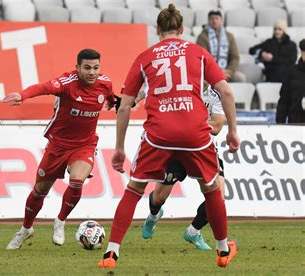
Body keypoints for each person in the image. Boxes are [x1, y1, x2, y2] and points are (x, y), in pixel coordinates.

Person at [98, 4, 240, 269]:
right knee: (211, 189)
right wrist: (232, 131)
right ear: (182, 30)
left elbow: (125, 106)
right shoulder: (198, 52)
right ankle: (222, 250)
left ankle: (111, 254)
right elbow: (227, 92)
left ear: (157, 30)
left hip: (159, 134)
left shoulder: (145, 56)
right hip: (195, 133)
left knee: (134, 189)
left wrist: (119, 148)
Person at [4, 49, 116, 250]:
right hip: (58, 145)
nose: (92, 72)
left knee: (76, 181)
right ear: (78, 68)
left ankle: (60, 221)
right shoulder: (67, 83)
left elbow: (110, 98)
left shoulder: (105, 83)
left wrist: (118, 103)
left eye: (96, 68)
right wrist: (22, 95)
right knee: (40, 191)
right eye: (87, 68)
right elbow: (43, 87)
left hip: (85, 145)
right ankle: (26, 229)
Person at [141, 85, 228, 251]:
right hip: (176, 149)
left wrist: (191, 127)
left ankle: (193, 231)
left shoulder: (216, 92)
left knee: (219, 197)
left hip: (205, 149)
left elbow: (216, 127)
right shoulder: (179, 87)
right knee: (159, 198)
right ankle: (153, 215)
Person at [197, 10, 246, 82]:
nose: (214, 21)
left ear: (221, 20)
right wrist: (217, 72)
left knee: (241, 78)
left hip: (227, 71)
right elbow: (203, 58)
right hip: (209, 72)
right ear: (208, 20)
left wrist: (229, 71)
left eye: (217, 18)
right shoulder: (202, 37)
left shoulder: (229, 36)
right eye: (212, 19)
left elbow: (235, 57)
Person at [276, 39, 305, 123]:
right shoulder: (291, 72)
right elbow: (284, 100)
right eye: (304, 52)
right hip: (295, 123)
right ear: (302, 53)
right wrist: (280, 123)